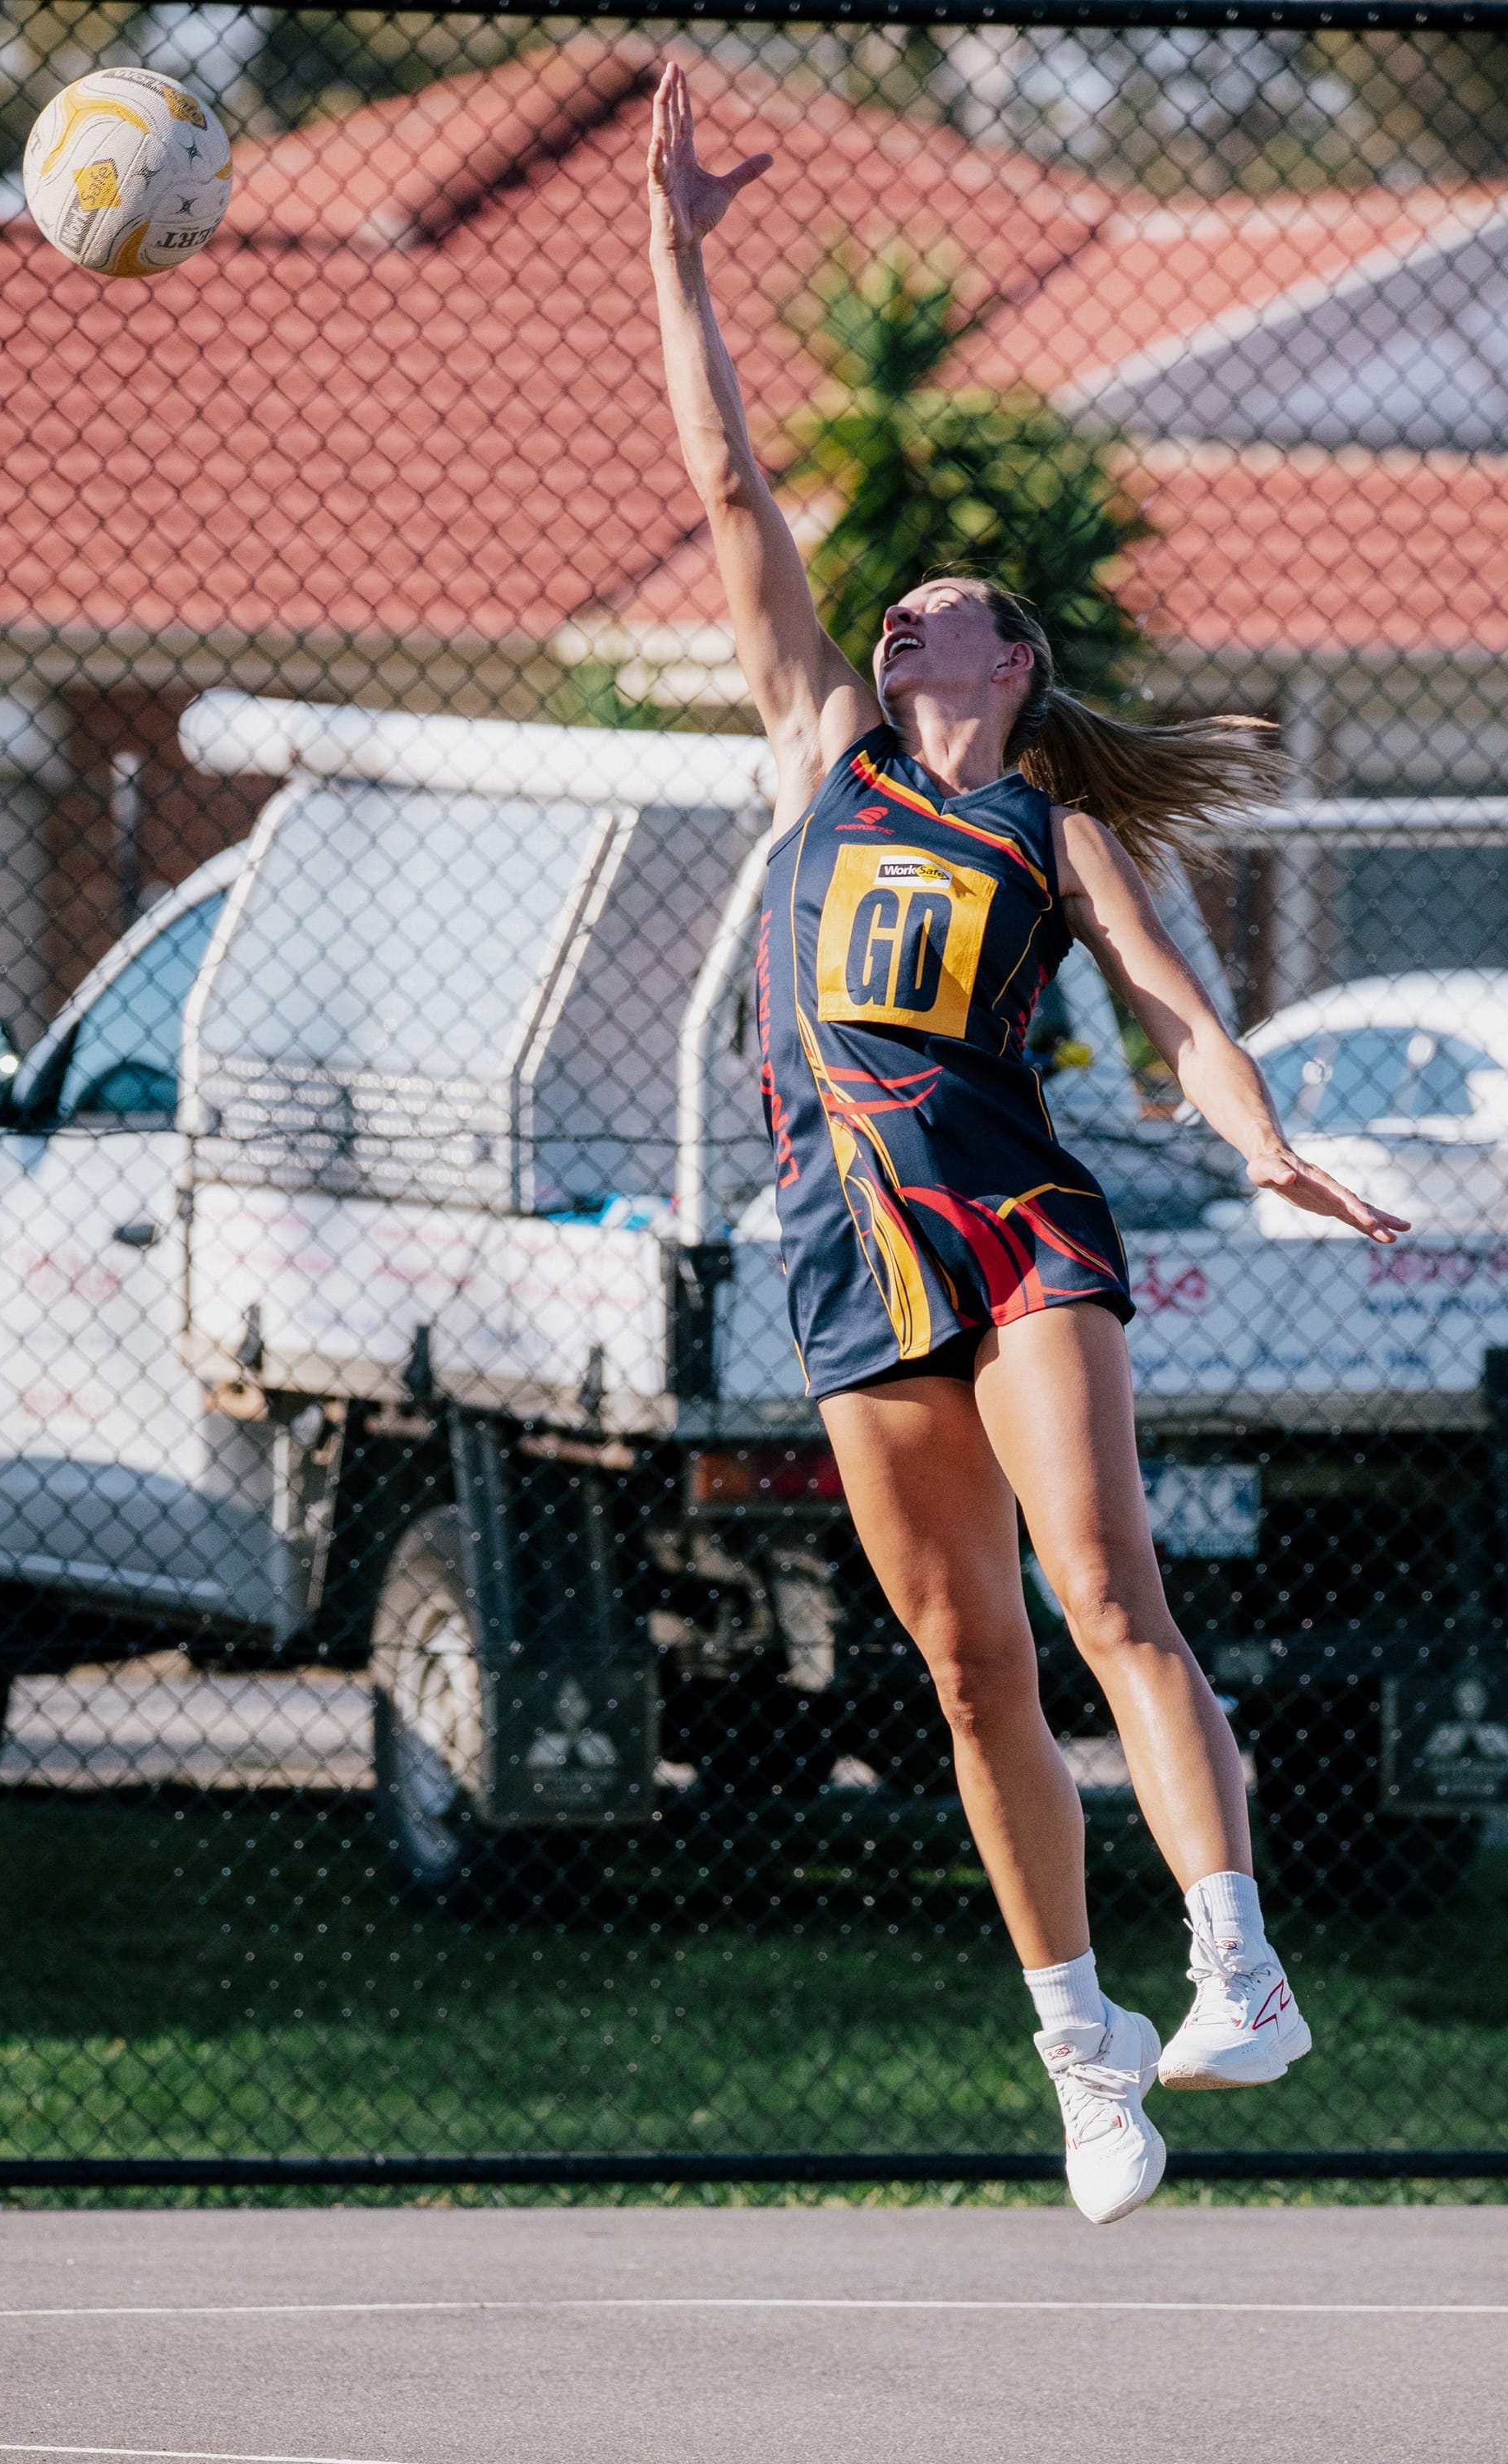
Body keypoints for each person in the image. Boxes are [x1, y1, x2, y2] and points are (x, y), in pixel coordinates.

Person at [646, 62, 1409, 2225]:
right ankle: (1084, 2056)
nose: (905, 609)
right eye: (894, 604)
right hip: (848, 1246)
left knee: (1099, 1588)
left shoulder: (1045, 826)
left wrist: (1264, 1140)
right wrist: (676, 253)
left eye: (948, 601)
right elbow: (725, 484)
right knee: (973, 1671)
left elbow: (1177, 1015)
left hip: (1012, 1228)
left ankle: (1238, 1966)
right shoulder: (820, 750)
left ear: (1016, 654)